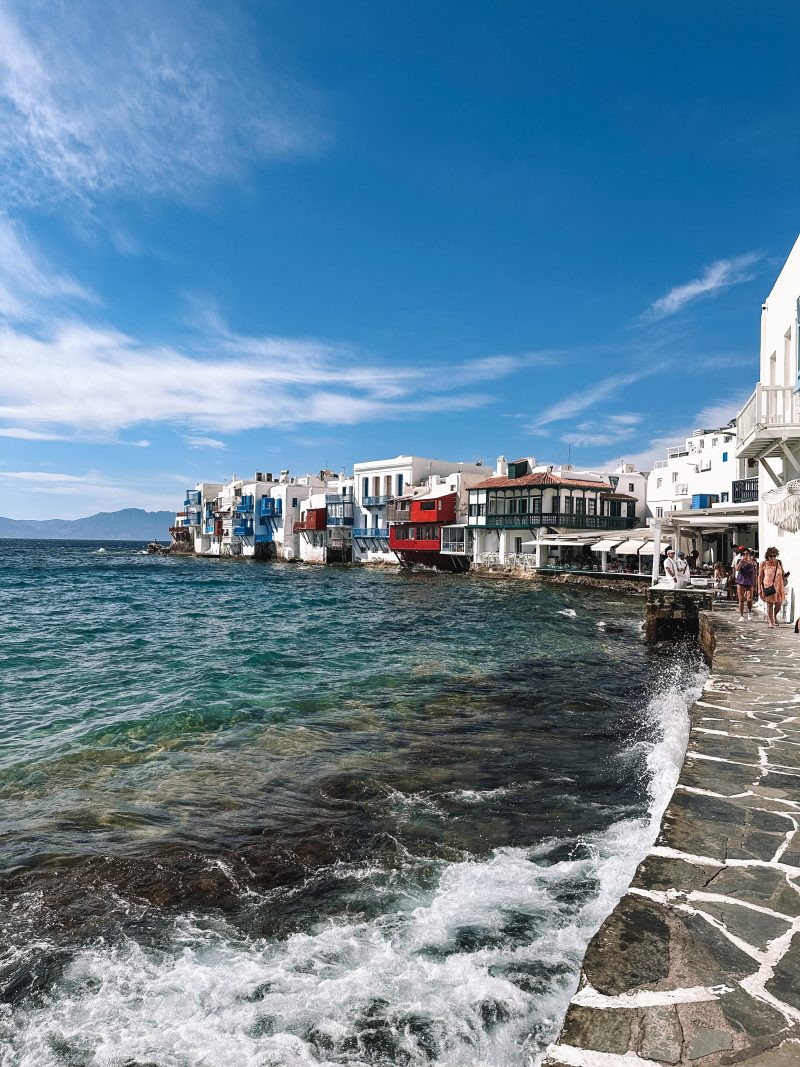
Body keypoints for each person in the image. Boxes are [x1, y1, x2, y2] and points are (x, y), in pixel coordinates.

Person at [758, 547, 786, 628]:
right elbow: (760, 577)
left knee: (778, 605)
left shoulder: (779, 563)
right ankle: (770, 622)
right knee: (769, 605)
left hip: (779, 586)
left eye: (774, 556)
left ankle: (774, 616)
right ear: (767, 556)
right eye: (771, 556)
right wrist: (759, 589)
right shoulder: (764, 564)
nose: (773, 558)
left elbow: (782, 573)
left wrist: (785, 576)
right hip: (768, 586)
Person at [735, 549, 756, 621]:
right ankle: (741, 616)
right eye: (744, 554)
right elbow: (737, 569)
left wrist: (755, 584)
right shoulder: (740, 561)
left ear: (749, 554)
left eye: (747, 554)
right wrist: (741, 562)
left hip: (749, 581)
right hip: (741, 580)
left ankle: (750, 612)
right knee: (741, 599)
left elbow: (754, 573)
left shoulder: (753, 562)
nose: (745, 555)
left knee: (749, 599)